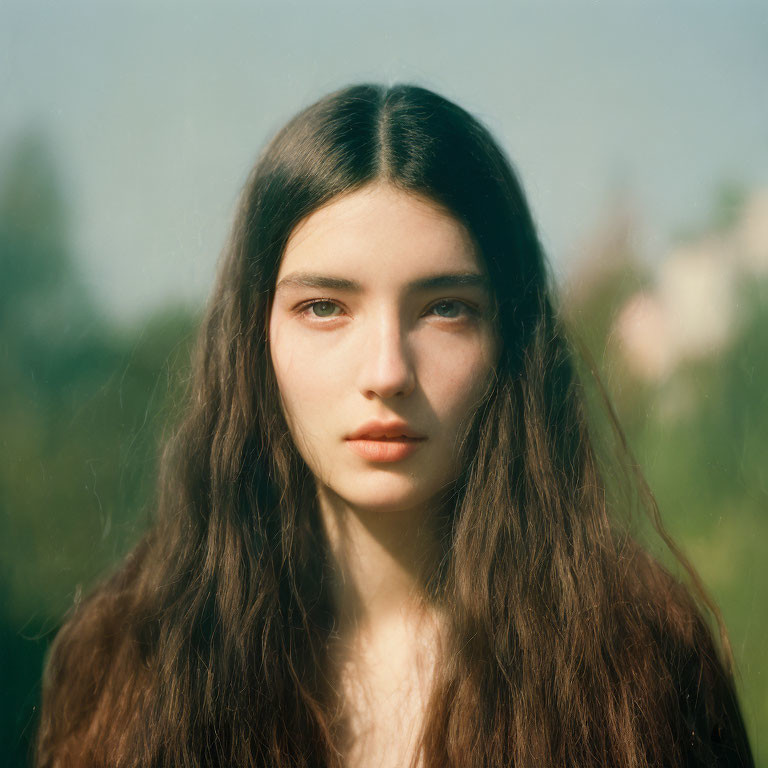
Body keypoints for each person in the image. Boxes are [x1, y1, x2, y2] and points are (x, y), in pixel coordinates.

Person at [34, 83, 754, 768]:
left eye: (444, 308)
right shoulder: (132, 664)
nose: (387, 371)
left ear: (511, 340)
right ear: (255, 340)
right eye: (325, 307)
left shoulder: (634, 667)